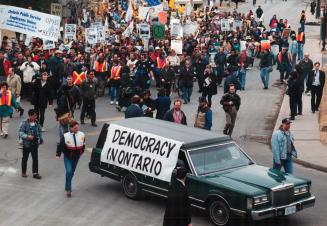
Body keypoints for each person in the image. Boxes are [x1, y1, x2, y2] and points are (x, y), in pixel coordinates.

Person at [56, 120, 85, 198]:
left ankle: (67, 185)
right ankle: (69, 189)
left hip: (76, 157)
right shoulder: (65, 136)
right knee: (69, 171)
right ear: (71, 128)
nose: (77, 129)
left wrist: (82, 152)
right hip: (68, 157)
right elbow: (60, 145)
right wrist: (58, 154)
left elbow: (83, 144)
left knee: (71, 172)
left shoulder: (82, 134)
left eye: (77, 128)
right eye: (75, 128)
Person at [19, 109, 43, 179]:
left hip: (35, 144)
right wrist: (27, 136)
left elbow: (39, 131)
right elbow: (20, 133)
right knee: (25, 158)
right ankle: (24, 172)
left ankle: (35, 173)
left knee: (35, 159)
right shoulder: (24, 123)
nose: (35, 117)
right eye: (34, 116)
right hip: (26, 144)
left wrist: (41, 138)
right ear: (30, 115)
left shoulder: (36, 122)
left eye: (36, 116)